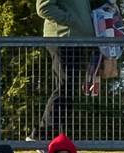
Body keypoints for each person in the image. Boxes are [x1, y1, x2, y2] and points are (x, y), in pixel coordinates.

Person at [34, 0, 93, 140]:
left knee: (68, 89)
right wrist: (72, 21)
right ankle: (41, 136)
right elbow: (43, 8)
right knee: (65, 87)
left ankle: (55, 139)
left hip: (75, 40)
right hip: (62, 38)